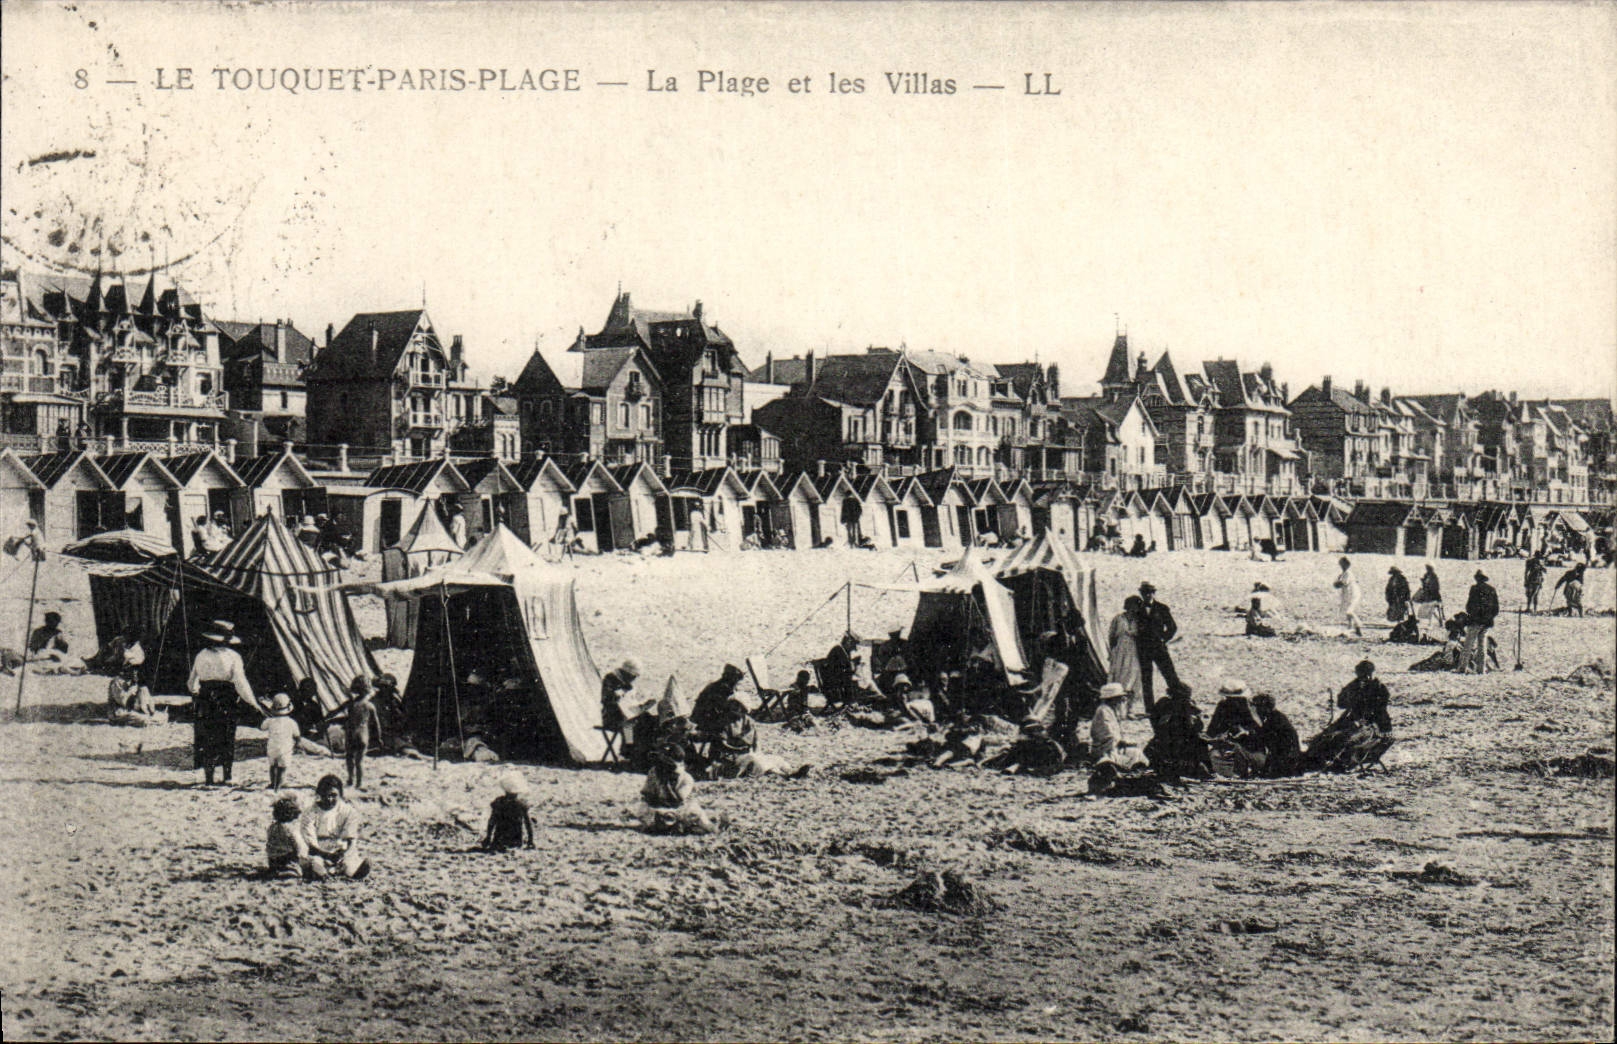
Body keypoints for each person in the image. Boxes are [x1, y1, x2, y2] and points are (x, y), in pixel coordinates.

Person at [187, 619, 254, 786]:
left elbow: (191, 682)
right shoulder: (232, 656)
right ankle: (227, 776)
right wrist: (252, 701)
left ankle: (209, 778)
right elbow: (241, 683)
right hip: (226, 699)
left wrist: (197, 693)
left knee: (207, 737)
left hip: (205, 698)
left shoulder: (201, 654)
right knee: (227, 737)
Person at [1304, 660, 1394, 773]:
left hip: (1375, 724)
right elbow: (1341, 703)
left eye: (1366, 674)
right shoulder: (1354, 685)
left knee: (1347, 738)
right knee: (1326, 735)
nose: (1364, 677)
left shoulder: (1379, 688)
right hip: (1353, 719)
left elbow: (1379, 709)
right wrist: (1351, 696)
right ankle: (1312, 759)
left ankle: (1340, 762)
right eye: (1361, 674)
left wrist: (1364, 716)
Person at [297, 775, 371, 879]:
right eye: (325, 795)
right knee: (315, 863)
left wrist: (341, 854)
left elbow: (350, 838)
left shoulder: (348, 811)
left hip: (340, 850)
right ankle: (323, 872)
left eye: (333, 795)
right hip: (319, 850)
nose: (329, 799)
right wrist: (326, 855)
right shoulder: (310, 813)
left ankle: (342, 871)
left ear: (340, 794)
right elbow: (310, 843)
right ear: (319, 794)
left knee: (350, 865)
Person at [639, 746, 723, 835]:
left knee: (696, 815)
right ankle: (667, 826)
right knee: (646, 812)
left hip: (680, 809)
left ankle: (707, 826)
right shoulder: (654, 772)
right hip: (659, 807)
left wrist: (668, 782)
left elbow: (677, 800)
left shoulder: (686, 778)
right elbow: (647, 794)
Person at [1145, 682, 1213, 782]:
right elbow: (1196, 727)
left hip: (1167, 743)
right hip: (1178, 744)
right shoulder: (1180, 706)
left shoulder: (1165, 703)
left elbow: (1156, 722)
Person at [1134, 582, 1181, 715]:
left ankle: (1179, 701)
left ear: (1154, 593)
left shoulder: (1162, 608)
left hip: (1159, 648)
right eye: (1145, 593)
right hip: (1143, 649)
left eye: (1150, 592)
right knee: (1146, 679)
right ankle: (1149, 709)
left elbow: (1172, 627)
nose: (1147, 595)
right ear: (1141, 594)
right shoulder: (1137, 609)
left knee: (1170, 674)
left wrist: (1163, 638)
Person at [600, 659, 655, 768]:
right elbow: (607, 700)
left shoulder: (629, 683)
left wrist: (642, 704)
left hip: (629, 713)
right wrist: (621, 692)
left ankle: (644, 754)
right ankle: (628, 752)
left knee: (649, 720)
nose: (634, 679)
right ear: (626, 672)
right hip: (613, 716)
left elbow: (632, 700)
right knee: (631, 726)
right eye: (633, 676)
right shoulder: (610, 679)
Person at [1088, 683, 1146, 770]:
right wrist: (1122, 742)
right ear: (1112, 698)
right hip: (1105, 748)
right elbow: (1107, 735)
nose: (1120, 700)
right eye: (1118, 698)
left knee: (1136, 752)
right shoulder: (1103, 711)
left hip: (1113, 746)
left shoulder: (1111, 710)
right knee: (1110, 759)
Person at [984, 717, 1067, 776]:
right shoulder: (1023, 745)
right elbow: (1008, 759)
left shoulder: (1050, 746)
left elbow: (1056, 765)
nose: (1035, 733)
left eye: (1037, 730)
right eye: (1032, 731)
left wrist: (1027, 770)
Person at [1107, 595, 1144, 717]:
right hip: (1120, 651)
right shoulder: (1118, 619)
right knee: (1119, 678)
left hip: (1134, 651)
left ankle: (1130, 709)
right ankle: (1117, 709)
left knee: (1133, 680)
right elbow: (1112, 636)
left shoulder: (1139, 620)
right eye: (1132, 605)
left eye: (1136, 606)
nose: (1134, 608)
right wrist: (1112, 652)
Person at [1249, 693, 1302, 778]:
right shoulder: (1277, 717)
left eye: (1258, 707)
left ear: (1265, 708)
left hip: (1282, 763)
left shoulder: (1273, 721)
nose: (1256, 710)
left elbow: (1261, 741)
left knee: (1241, 749)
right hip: (1288, 761)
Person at [482, 771, 537, 852]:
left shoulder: (499, 802)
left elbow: (492, 821)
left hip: (499, 839)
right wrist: (530, 840)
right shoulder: (521, 804)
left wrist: (488, 837)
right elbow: (528, 824)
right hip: (516, 840)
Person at [344, 676, 382, 789]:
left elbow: (336, 712)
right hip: (363, 735)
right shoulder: (370, 706)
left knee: (349, 757)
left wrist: (326, 718)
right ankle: (359, 783)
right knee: (359, 761)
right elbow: (376, 724)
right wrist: (379, 738)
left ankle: (351, 778)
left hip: (351, 734)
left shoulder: (350, 704)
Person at [693, 664, 746, 741]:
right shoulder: (719, 689)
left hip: (707, 717)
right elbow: (720, 710)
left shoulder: (718, 686)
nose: (735, 685)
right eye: (735, 681)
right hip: (704, 721)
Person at [262, 692, 301, 792]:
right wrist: (297, 743)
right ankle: (278, 786)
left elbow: (262, 727)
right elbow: (297, 735)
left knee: (272, 766)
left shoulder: (270, 720)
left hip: (272, 747)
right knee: (282, 768)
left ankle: (272, 783)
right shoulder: (291, 722)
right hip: (285, 748)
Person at [1462, 570, 1499, 674]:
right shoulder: (1491, 590)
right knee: (1482, 646)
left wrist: (1472, 615)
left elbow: (1469, 606)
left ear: (1477, 578)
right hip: (1486, 622)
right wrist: (1489, 617)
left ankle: (1462, 667)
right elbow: (1496, 608)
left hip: (1475, 620)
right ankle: (1481, 669)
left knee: (1468, 645)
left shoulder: (1474, 589)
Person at [266, 795, 306, 879]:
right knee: (300, 869)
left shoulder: (272, 827)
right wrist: (303, 855)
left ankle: (275, 870)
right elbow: (298, 844)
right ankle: (288, 871)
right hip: (286, 858)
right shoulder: (290, 829)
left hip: (273, 859)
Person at [1334, 557, 1364, 637]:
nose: (1342, 566)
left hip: (1353, 594)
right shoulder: (1343, 574)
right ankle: (1351, 628)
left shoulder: (1348, 573)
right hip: (1348, 594)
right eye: (1341, 564)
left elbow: (1343, 583)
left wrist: (1336, 583)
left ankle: (1358, 625)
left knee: (1349, 611)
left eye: (1343, 564)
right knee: (1348, 612)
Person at [1412, 563, 1445, 636]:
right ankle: (1423, 622)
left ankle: (1426, 623)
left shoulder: (1433, 577)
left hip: (1433, 597)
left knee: (1427, 607)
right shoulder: (1426, 576)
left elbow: (1435, 589)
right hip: (1427, 597)